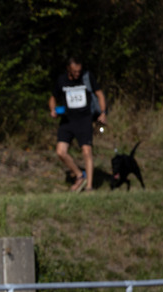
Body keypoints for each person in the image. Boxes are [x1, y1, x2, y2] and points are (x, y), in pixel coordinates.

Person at [49, 56, 107, 192]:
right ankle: (80, 175)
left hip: (84, 120)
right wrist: (52, 109)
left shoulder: (87, 77)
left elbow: (100, 94)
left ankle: (89, 186)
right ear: (68, 69)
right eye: (74, 71)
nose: (77, 74)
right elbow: (52, 97)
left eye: (79, 71)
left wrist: (103, 112)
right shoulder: (62, 80)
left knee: (87, 151)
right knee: (60, 152)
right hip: (67, 121)